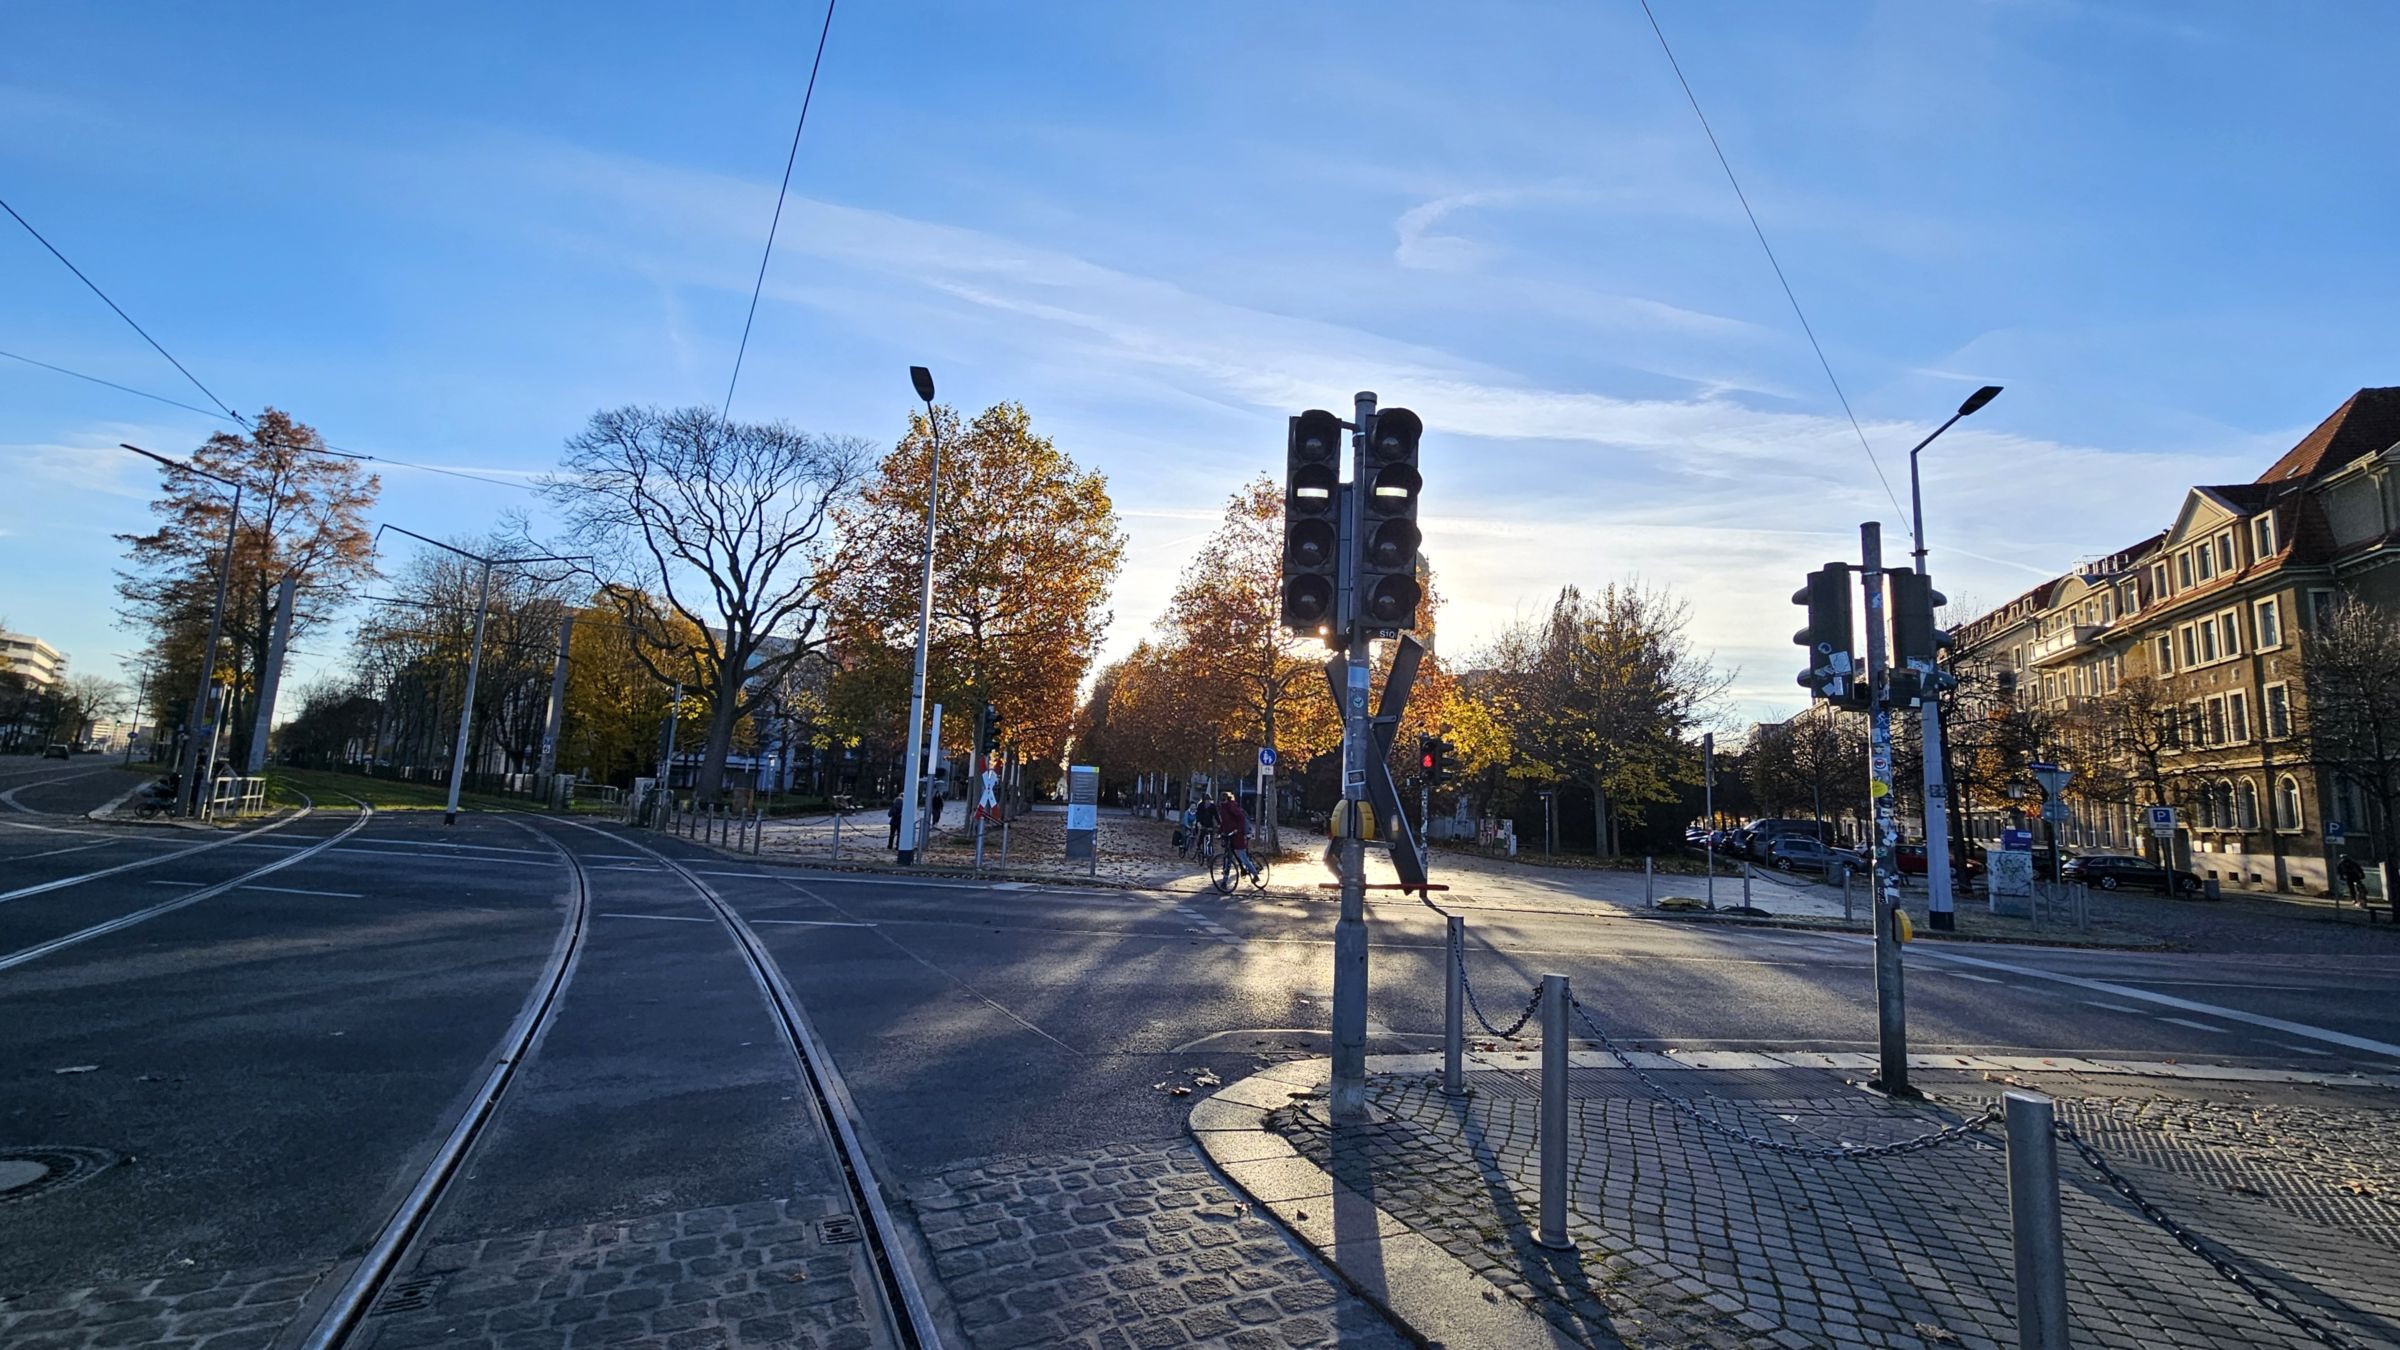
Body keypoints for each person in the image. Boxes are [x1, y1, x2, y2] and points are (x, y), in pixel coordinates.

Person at [1217, 790, 1254, 882]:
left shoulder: (1232, 806)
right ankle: (1225, 880)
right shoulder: (1223, 808)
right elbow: (1224, 822)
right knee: (1228, 857)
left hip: (1237, 835)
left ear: (1226, 799)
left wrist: (1238, 830)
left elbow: (1240, 818)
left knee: (1243, 858)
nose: (1222, 801)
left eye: (1223, 800)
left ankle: (1255, 874)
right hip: (1229, 835)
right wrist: (1220, 831)